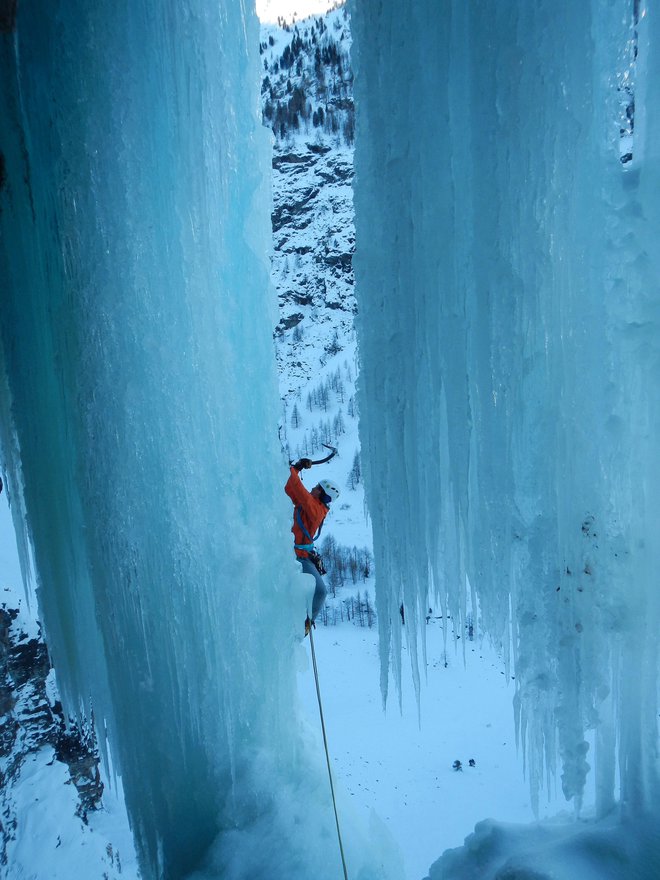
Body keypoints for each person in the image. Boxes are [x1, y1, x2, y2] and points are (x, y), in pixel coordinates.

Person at [285, 458, 340, 635]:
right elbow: (290, 488)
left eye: (317, 487)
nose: (313, 488)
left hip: (300, 557)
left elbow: (298, 489)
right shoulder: (309, 504)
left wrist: (296, 468)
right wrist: (294, 470)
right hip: (295, 553)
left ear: (322, 494)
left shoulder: (316, 510)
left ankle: (307, 622)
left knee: (321, 592)